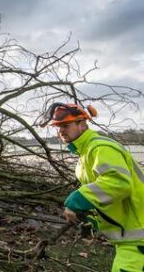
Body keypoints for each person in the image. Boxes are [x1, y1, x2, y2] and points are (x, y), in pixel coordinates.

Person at [42, 103, 144, 271]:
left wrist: (79, 199)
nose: (60, 131)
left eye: (66, 125)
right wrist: (93, 219)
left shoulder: (100, 147)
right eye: (58, 127)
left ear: (82, 124)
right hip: (131, 239)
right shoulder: (86, 153)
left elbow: (119, 183)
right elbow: (109, 196)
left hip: (138, 243)